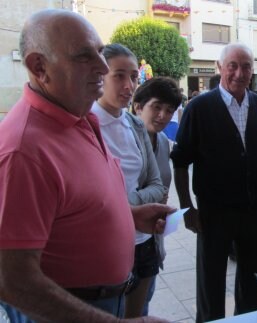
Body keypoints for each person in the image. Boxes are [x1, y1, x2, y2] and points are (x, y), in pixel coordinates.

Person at [0, 9, 172, 323]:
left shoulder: (78, 116)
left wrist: (128, 216)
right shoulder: (22, 151)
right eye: (84, 57)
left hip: (105, 299)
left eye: (100, 53)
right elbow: (11, 280)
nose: (103, 67)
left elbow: (75, 206)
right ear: (39, 67)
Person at [171, 43, 257, 322]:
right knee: (211, 281)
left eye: (246, 67)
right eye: (232, 65)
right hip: (214, 213)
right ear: (220, 68)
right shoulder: (199, 107)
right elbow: (180, 161)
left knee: (254, 280)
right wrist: (187, 208)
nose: (239, 73)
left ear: (252, 71)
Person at [91, 43, 167, 318]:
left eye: (134, 76)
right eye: (119, 75)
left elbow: (158, 186)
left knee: (139, 314)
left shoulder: (135, 124)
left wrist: (122, 202)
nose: (129, 84)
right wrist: (128, 205)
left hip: (143, 241)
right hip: (108, 245)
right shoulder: (85, 125)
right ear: (100, 75)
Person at [132, 77, 182, 315]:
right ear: (138, 106)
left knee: (143, 303)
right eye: (156, 107)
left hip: (151, 237)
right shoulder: (123, 138)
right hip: (124, 237)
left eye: (169, 110)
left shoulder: (163, 141)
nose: (162, 115)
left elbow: (162, 189)